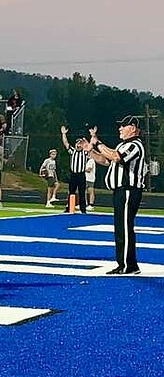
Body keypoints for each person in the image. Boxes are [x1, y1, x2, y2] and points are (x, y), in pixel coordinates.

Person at [86, 117, 147, 275]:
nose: (120, 129)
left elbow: (116, 157)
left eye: (123, 126)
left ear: (133, 128)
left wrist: (98, 143)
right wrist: (90, 150)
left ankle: (129, 265)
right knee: (120, 228)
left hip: (128, 190)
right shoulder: (123, 145)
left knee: (125, 228)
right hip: (120, 191)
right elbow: (106, 160)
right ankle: (123, 263)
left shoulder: (135, 145)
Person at [60, 126, 88, 213]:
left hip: (81, 174)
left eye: (80, 144)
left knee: (82, 193)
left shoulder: (85, 152)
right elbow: (65, 143)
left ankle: (83, 209)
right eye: (77, 144)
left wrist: (91, 136)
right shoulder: (73, 151)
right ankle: (69, 207)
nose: (78, 145)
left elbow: (90, 147)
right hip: (73, 174)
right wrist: (64, 134)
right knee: (71, 192)